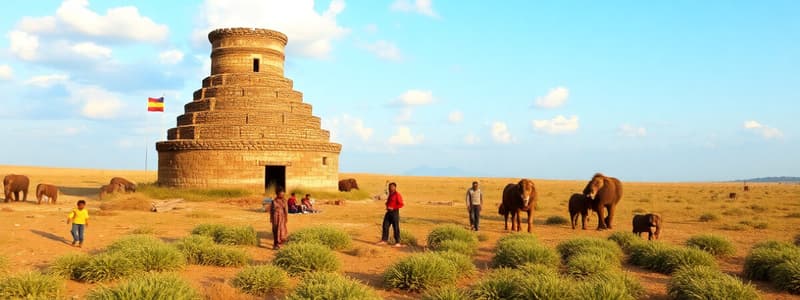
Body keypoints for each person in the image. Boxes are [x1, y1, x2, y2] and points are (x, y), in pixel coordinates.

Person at [377, 182, 404, 247]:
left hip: (394, 213)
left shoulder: (397, 195)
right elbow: (388, 202)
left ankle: (398, 243)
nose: (390, 188)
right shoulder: (390, 194)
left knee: (396, 227)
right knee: (385, 225)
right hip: (388, 212)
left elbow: (401, 204)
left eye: (392, 187)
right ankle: (384, 240)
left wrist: (393, 207)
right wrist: (387, 205)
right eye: (389, 187)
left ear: (395, 187)